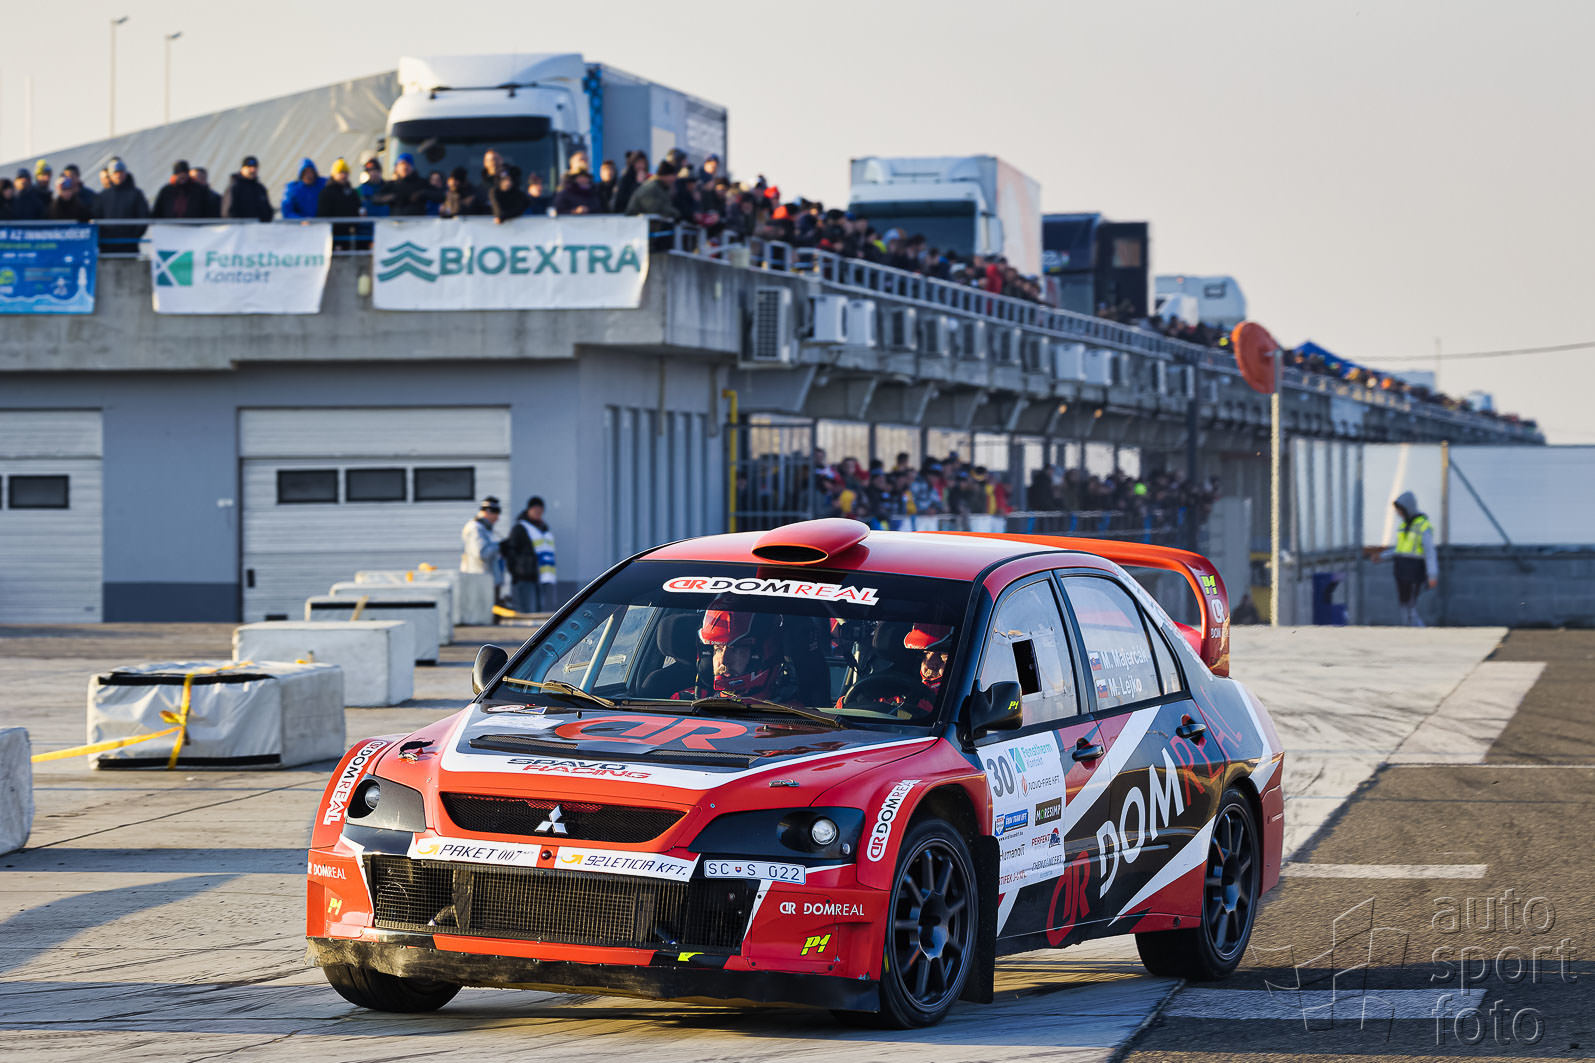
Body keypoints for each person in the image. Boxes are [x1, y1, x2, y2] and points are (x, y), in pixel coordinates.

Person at [1370, 490, 1437, 626]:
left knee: (1410, 607)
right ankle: (1408, 630)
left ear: (1407, 508)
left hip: (1414, 571)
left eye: (1400, 510)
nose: (1398, 513)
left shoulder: (1423, 526)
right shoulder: (1403, 526)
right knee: (1404, 605)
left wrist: (1432, 575)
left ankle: (1418, 632)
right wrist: (1382, 556)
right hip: (1401, 571)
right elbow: (1399, 549)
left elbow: (1430, 552)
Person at [502, 496, 557, 613]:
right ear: (528, 510)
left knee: (538, 612)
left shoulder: (544, 529)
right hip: (524, 578)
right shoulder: (520, 528)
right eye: (535, 509)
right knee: (527, 613)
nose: (538, 512)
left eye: (540, 510)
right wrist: (516, 574)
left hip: (541, 578)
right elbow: (511, 552)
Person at [92, 157, 150, 251]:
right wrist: (103, 237)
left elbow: (143, 216)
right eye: (115, 172)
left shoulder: (136, 194)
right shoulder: (103, 196)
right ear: (110, 175)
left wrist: (133, 237)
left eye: (121, 172)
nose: (118, 175)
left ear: (125, 173)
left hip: (129, 246)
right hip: (107, 246)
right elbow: (96, 217)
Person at [460, 497, 503, 578]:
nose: (497, 519)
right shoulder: (475, 528)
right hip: (477, 578)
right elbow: (482, 554)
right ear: (487, 512)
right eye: (496, 514)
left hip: (485, 579)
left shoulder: (486, 529)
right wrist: (501, 546)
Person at [222, 155, 274, 221]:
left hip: (259, 226)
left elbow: (268, 211)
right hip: (241, 226)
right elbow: (228, 213)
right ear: (242, 169)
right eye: (249, 167)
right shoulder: (234, 187)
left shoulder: (260, 188)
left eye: (255, 167)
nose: (253, 170)